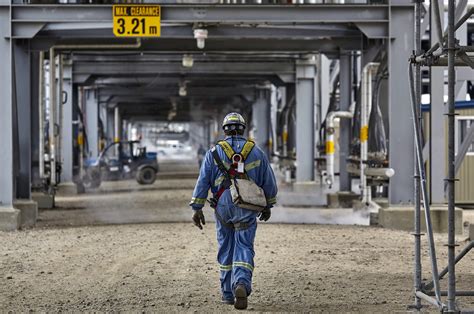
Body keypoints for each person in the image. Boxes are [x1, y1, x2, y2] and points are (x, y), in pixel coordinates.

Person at [189, 112, 278, 310]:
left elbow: (203, 181)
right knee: (244, 245)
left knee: (225, 248)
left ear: (225, 131)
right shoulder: (256, 152)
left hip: (222, 206)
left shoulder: (213, 153)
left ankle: (227, 293)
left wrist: (197, 208)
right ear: (243, 129)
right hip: (247, 205)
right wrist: (268, 205)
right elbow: (269, 182)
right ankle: (241, 283)